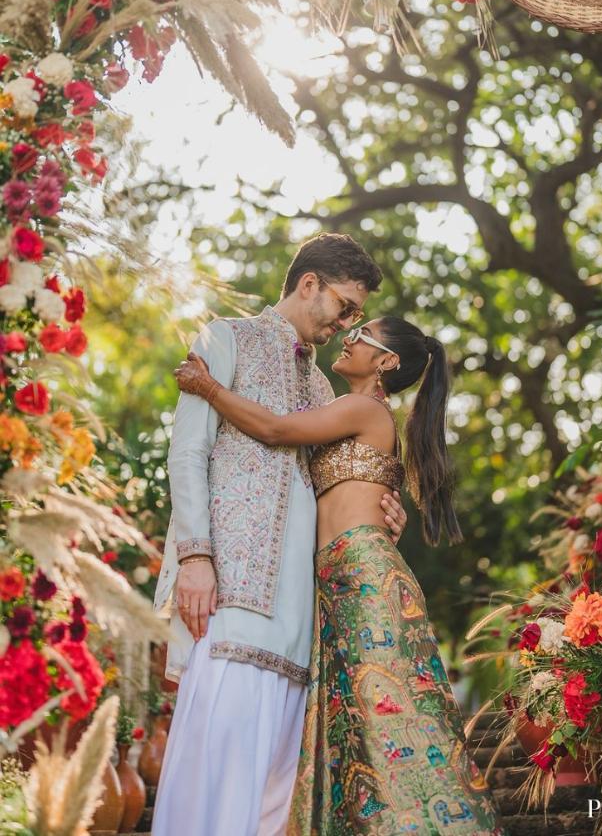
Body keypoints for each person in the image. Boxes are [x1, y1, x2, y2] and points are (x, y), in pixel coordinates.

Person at [175, 316, 506, 834]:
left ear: (386, 361)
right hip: (338, 576)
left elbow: (277, 430)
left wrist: (208, 387)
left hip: (361, 574)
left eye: (361, 334)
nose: (347, 338)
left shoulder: (362, 408)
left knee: (393, 715)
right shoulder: (344, 405)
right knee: (354, 720)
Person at [151, 234, 407, 836]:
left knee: (271, 792)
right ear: (309, 283)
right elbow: (188, 453)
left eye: (357, 317)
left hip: (302, 618)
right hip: (230, 595)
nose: (348, 323)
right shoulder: (226, 339)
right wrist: (195, 556)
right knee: (212, 765)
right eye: (345, 306)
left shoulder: (324, 392)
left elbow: (341, 490)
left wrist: (384, 510)